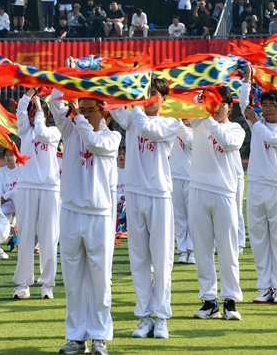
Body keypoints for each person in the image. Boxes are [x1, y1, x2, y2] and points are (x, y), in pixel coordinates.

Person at [50, 84, 121, 355]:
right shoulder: (69, 131)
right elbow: (56, 105)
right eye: (83, 109)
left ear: (105, 114)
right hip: (70, 211)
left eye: (92, 111)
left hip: (98, 214)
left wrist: (77, 115)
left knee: (100, 279)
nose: (87, 115)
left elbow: (93, 141)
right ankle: (76, 336)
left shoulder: (111, 138)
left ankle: (100, 337)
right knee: (73, 280)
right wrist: (67, 82)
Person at [109, 77, 181, 339]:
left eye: (153, 94)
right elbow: (112, 103)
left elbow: (150, 130)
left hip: (160, 195)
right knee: (139, 260)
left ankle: (162, 317)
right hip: (135, 193)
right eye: (145, 93)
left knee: (161, 259)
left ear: (164, 99)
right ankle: (144, 317)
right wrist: (115, 80)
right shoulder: (132, 118)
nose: (148, 98)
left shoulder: (170, 123)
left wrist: (136, 104)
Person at [240, 69, 277, 306]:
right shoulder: (257, 123)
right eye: (265, 104)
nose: (268, 108)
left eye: (273, 105)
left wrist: (254, 122)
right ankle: (264, 286)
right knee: (259, 238)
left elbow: (271, 139)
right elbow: (245, 106)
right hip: (255, 185)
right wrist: (247, 81)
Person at [189, 86, 245, 321]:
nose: (216, 107)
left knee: (228, 249)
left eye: (220, 103)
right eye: (212, 102)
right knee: (202, 250)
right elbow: (189, 100)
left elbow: (228, 143)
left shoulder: (235, 129)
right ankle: (209, 301)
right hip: (198, 190)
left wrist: (208, 116)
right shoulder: (198, 122)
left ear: (229, 106)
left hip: (224, 193)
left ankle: (230, 301)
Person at [13, 88, 61, 300]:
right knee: (25, 238)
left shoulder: (54, 132)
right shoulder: (25, 131)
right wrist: (30, 94)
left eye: (37, 111)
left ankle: (47, 285)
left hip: (50, 188)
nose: (32, 114)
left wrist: (40, 107)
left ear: (46, 114)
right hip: (26, 187)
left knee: (49, 238)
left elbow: (42, 132)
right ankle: (23, 285)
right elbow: (20, 112)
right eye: (32, 111)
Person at [170, 119, 194, 265]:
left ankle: (192, 250)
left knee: (192, 215)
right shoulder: (172, 129)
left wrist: (180, 125)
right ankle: (182, 250)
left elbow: (190, 143)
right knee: (180, 217)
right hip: (174, 175)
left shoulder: (198, 130)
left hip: (191, 177)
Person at [0, 148, 22, 221]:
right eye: (6, 155)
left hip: (20, 203)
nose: (8, 157)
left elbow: (20, 189)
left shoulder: (22, 169)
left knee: (16, 193)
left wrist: (6, 196)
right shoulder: (0, 172)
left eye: (11, 155)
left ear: (17, 157)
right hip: (6, 204)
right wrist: (3, 198)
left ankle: (16, 219)